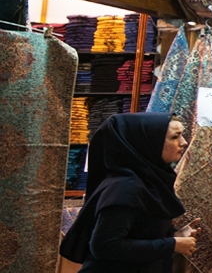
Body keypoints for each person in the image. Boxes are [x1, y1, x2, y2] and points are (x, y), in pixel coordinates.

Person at [61, 113, 201, 273]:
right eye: (175, 137)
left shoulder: (150, 181)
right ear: (149, 143)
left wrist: (175, 235)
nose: (183, 143)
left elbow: (139, 233)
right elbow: (105, 245)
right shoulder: (125, 187)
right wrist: (172, 244)